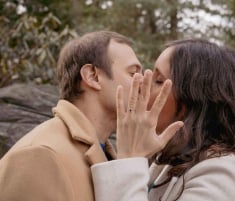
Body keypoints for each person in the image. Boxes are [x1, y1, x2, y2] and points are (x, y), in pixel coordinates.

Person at [91, 39, 235, 201]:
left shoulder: (225, 175)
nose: (143, 85)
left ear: (194, 99)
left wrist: (129, 159)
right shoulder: (168, 162)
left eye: (159, 80)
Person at [0, 31, 179, 201]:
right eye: (133, 73)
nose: (142, 84)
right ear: (92, 76)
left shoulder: (108, 152)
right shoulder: (40, 155)